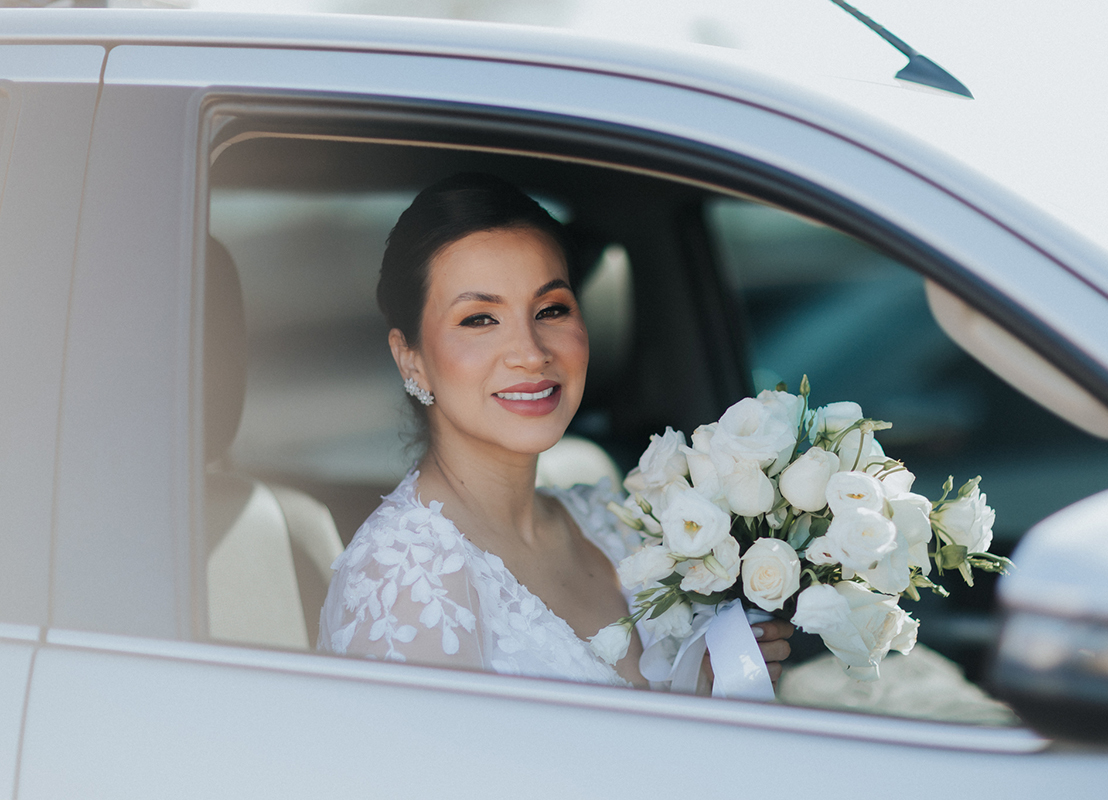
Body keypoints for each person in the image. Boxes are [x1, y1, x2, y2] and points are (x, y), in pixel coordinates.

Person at [317, 173, 792, 690]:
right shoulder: (403, 581)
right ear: (411, 358)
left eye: (551, 310)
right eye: (479, 319)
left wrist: (707, 683)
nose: (531, 352)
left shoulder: (608, 519)